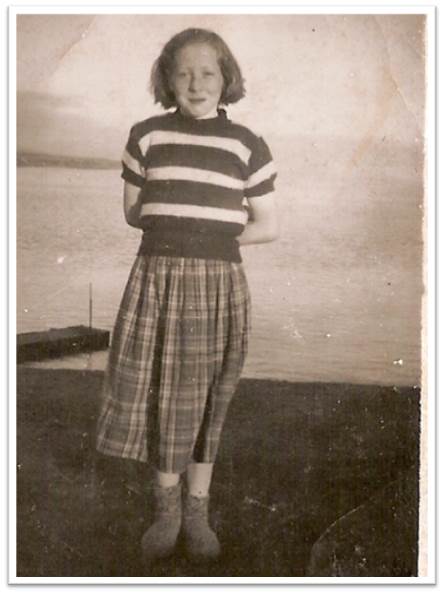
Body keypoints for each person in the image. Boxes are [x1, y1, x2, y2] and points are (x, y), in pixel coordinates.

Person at [96, 27, 278, 565]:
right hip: (155, 280)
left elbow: (267, 225)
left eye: (207, 73)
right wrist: (181, 236)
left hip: (218, 284)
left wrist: (209, 239)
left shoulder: (247, 144)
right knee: (161, 396)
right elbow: (135, 213)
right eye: (183, 73)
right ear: (167, 79)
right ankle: (167, 511)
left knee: (207, 399)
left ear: (226, 78)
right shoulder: (145, 136)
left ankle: (197, 510)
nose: (196, 84)